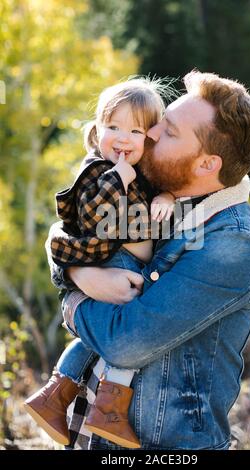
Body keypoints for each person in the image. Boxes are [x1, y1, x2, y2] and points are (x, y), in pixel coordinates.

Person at [47, 70, 250, 451]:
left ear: (206, 164)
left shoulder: (234, 243)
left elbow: (125, 343)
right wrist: (77, 270)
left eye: (168, 132)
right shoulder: (158, 196)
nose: (148, 134)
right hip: (89, 432)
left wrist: (73, 302)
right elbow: (69, 231)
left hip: (162, 444)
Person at [24, 77, 177, 449]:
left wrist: (168, 195)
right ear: (96, 131)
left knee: (107, 332)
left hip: (126, 262)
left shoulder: (145, 174)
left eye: (135, 130)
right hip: (111, 260)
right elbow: (91, 213)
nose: (122, 138)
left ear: (150, 138)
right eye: (113, 127)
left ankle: (56, 393)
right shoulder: (96, 169)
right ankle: (107, 408)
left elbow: (158, 194)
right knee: (127, 331)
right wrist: (117, 177)